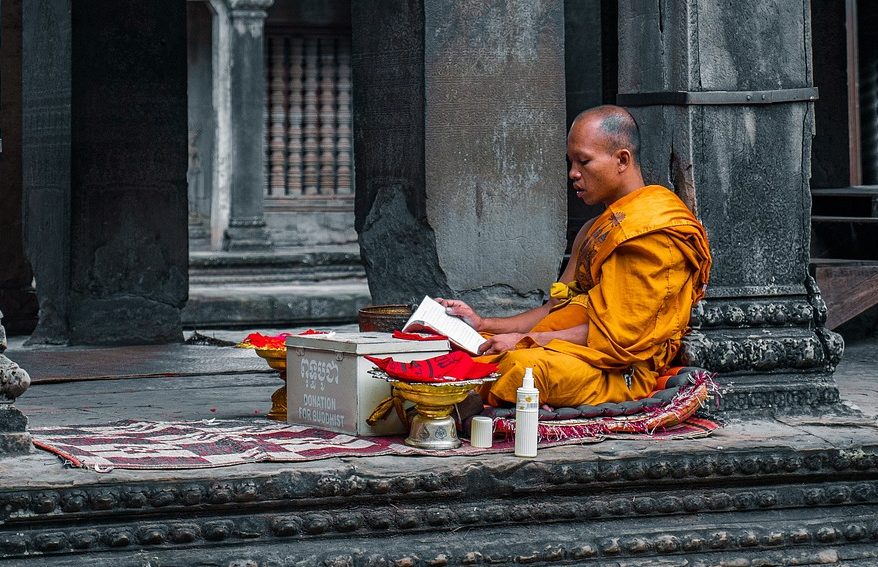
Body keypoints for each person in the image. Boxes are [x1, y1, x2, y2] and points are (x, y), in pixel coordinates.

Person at [438, 105, 711, 408]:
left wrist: (525, 341)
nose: (573, 173)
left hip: (617, 369)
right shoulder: (595, 229)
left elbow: (620, 339)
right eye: (571, 162)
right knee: (464, 348)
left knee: (518, 370)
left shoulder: (653, 231)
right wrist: (482, 322)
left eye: (584, 161)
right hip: (568, 348)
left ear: (622, 160)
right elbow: (554, 309)